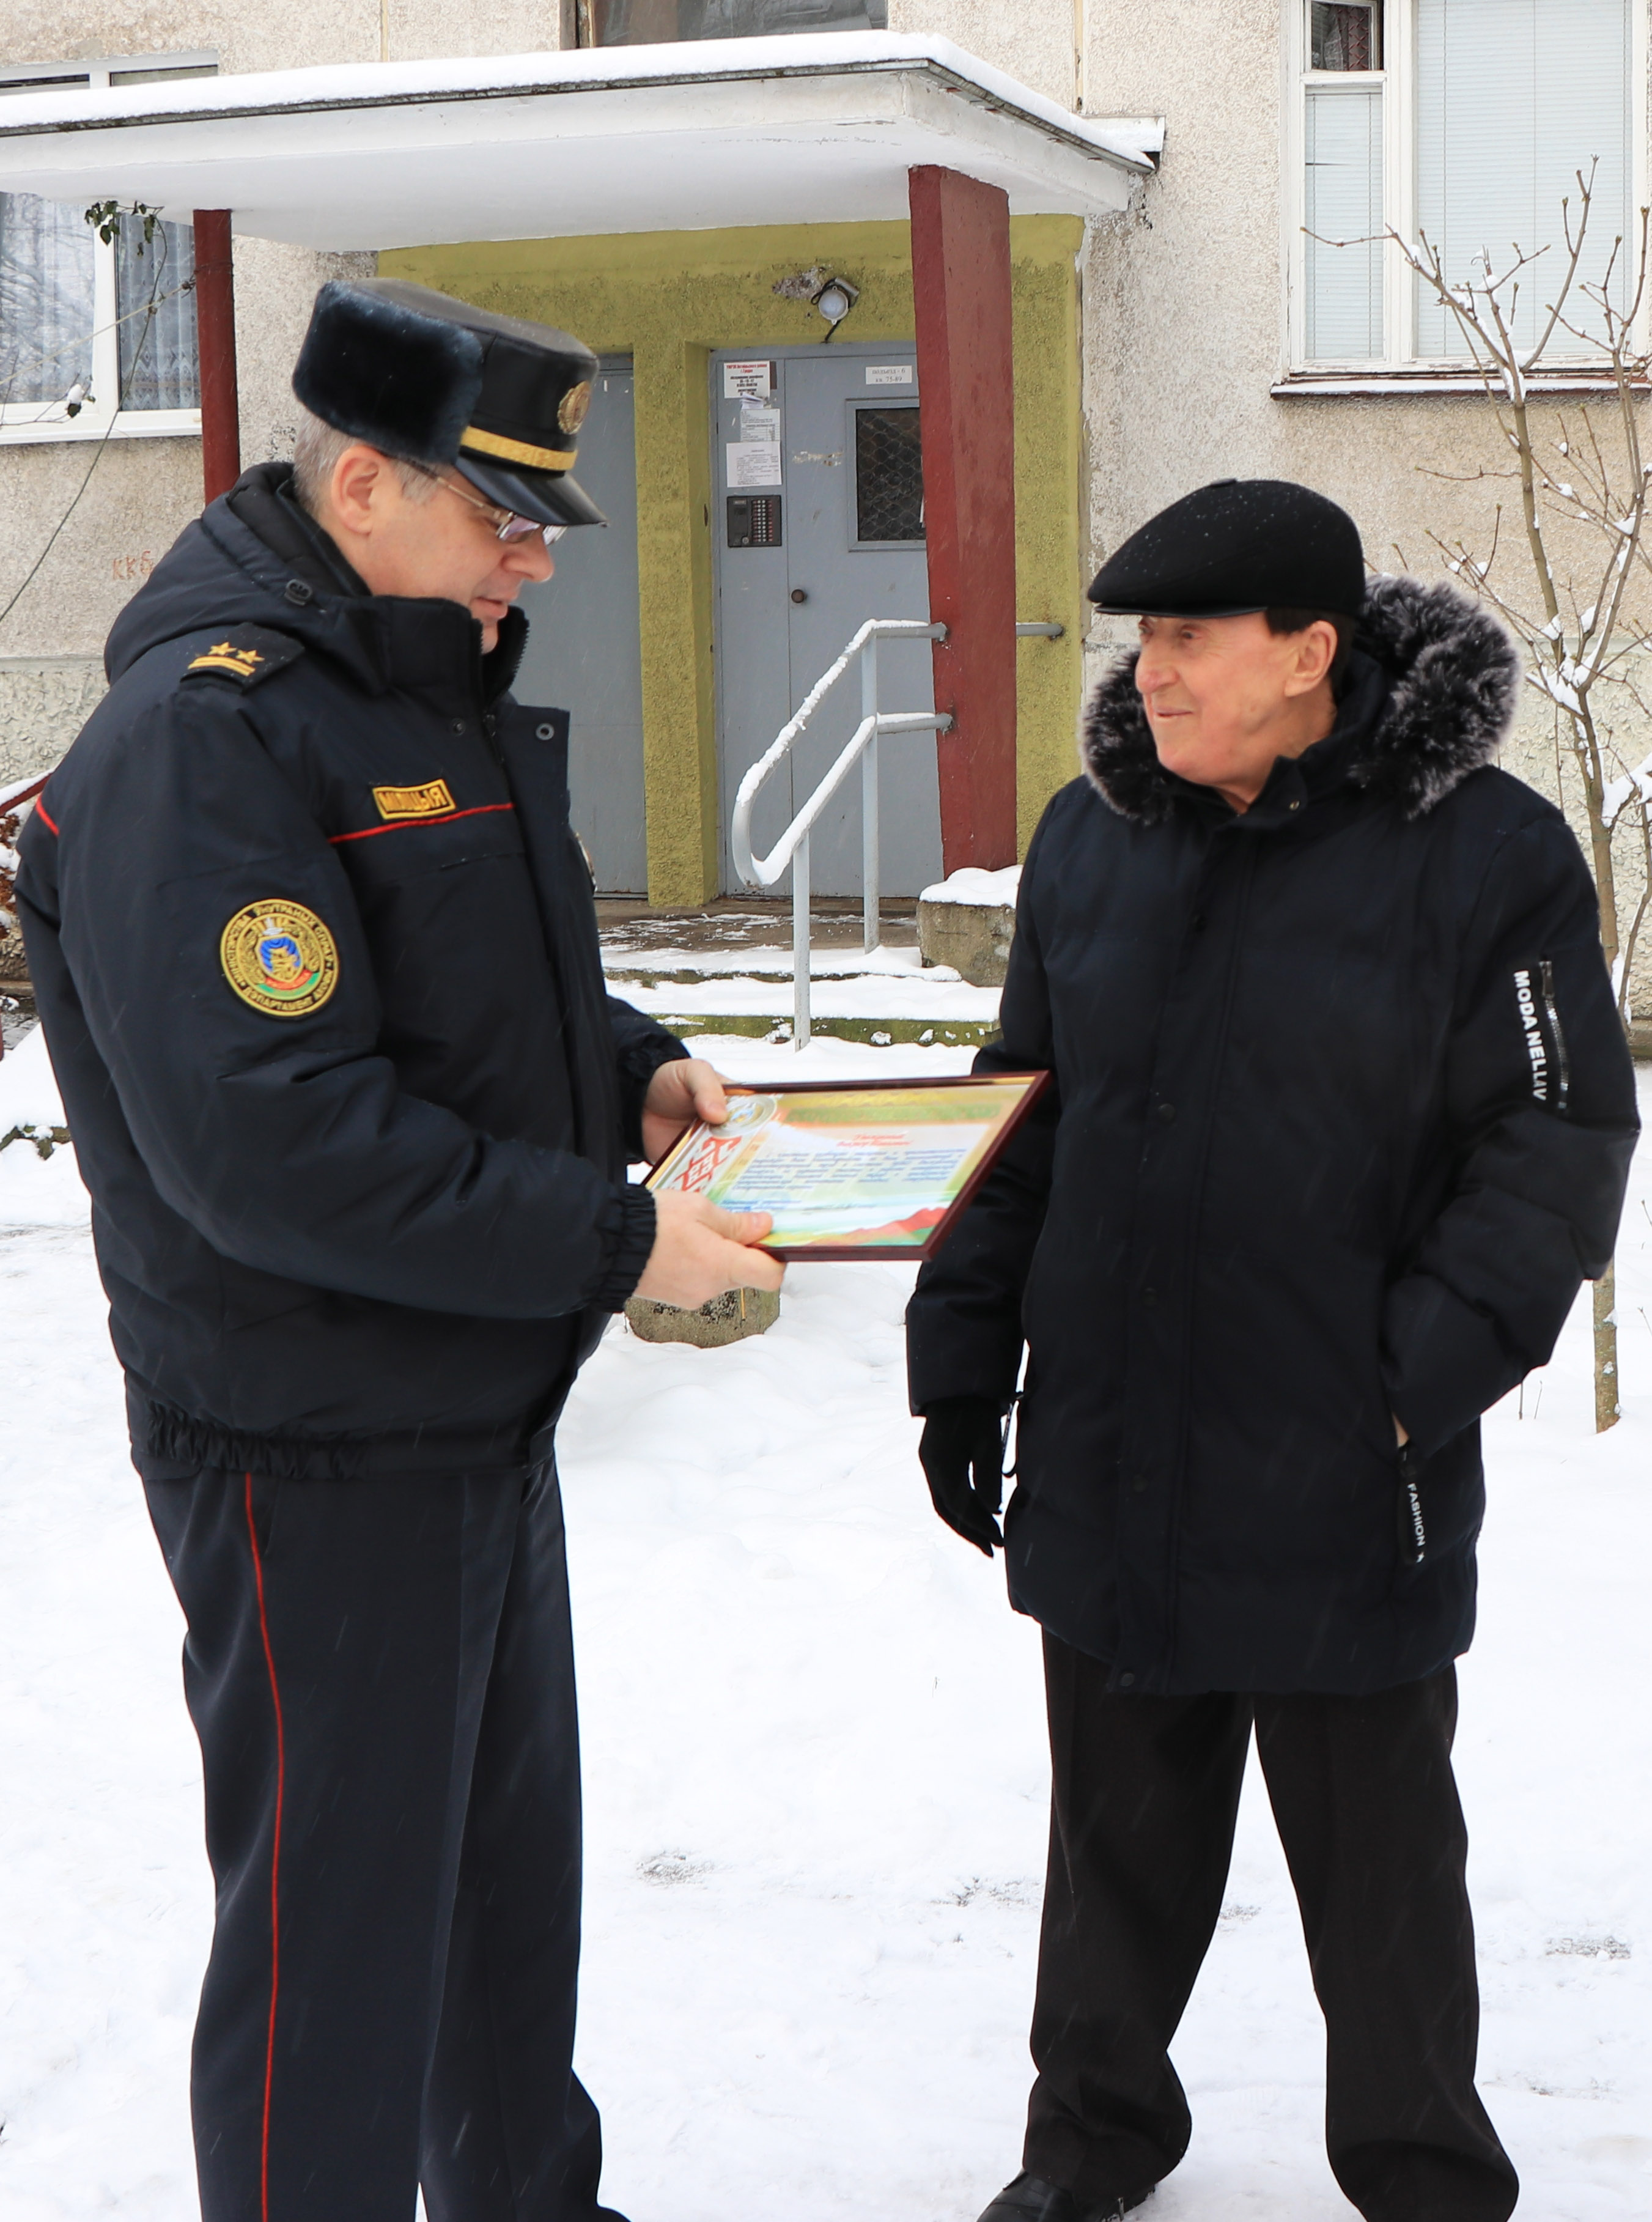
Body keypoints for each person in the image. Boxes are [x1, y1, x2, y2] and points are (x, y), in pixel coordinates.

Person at [16, 277, 781, 2222]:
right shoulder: (206, 742)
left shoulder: (410, 694)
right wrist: (619, 1247)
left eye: (538, 526)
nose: (532, 561)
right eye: (502, 518)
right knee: (337, 1960)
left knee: (503, 1907)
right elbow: (278, 1144)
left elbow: (457, 1003)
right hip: (312, 1439)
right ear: (363, 482)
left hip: (466, 1403)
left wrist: (636, 1076)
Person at [905, 479, 1639, 2222]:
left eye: (1187, 637)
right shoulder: (1095, 837)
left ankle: (1423, 2174)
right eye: (1139, 639)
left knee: (1380, 1868)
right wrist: (961, 1351)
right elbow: (1022, 1112)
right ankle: (1091, 2144)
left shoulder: (1484, 853)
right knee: (1111, 1850)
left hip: (1339, 1461)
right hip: (1114, 1437)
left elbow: (1556, 1144)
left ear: (1312, 652)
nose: (1148, 673)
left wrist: (1404, 1380)